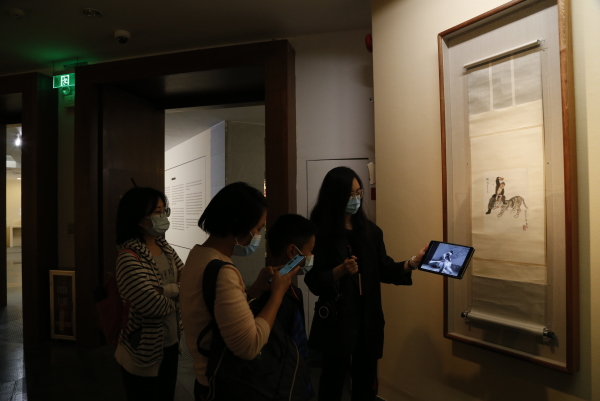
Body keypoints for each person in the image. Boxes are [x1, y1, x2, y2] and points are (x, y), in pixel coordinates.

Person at [305, 167, 428, 401]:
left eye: (359, 192)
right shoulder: (319, 234)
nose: (356, 199)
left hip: (368, 320)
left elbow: (384, 268)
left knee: (366, 385)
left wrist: (413, 263)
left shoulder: (371, 232)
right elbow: (313, 281)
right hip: (337, 321)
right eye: (350, 194)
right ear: (335, 196)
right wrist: (340, 271)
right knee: (332, 383)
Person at [179, 182, 301, 400]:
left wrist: (254, 289)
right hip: (224, 384)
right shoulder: (223, 271)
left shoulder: (198, 255)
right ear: (238, 224)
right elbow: (249, 345)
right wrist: (277, 294)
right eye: (258, 229)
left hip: (207, 379)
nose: (258, 236)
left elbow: (219, 312)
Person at [114, 187, 184, 401]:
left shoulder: (166, 248)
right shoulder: (128, 257)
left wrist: (165, 291)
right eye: (156, 212)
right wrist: (180, 297)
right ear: (137, 218)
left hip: (171, 342)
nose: (162, 217)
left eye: (164, 211)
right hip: (142, 349)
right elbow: (152, 305)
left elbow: (188, 279)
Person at [265, 213, 318, 399]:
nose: (311, 257)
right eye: (310, 250)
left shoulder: (293, 292)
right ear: (292, 252)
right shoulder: (275, 298)